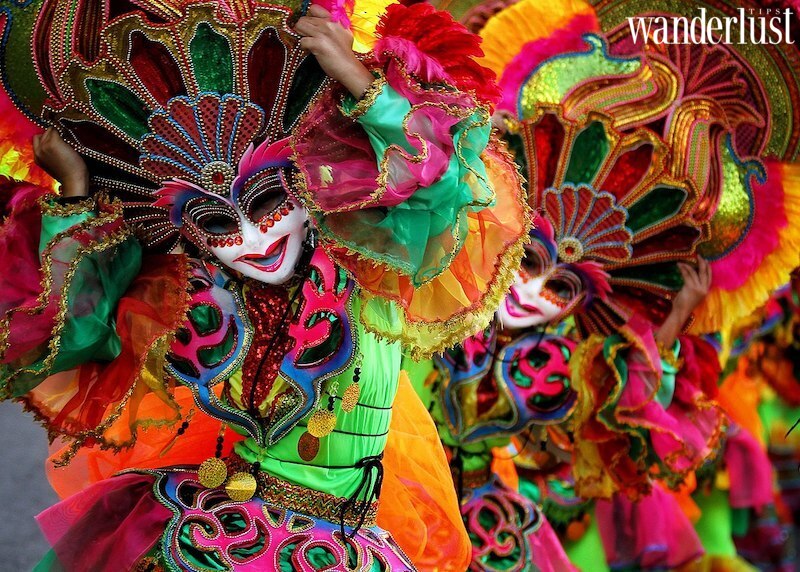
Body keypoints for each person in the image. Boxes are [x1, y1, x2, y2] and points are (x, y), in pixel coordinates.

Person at [0, 1, 528, 570]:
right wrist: (77, 195)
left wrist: (356, 81)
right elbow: (65, 335)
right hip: (214, 539)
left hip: (342, 544)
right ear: (189, 233)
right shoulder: (186, 295)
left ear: (307, 184)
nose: (253, 239)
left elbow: (438, 183)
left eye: (267, 204)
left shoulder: (370, 260)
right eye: (217, 223)